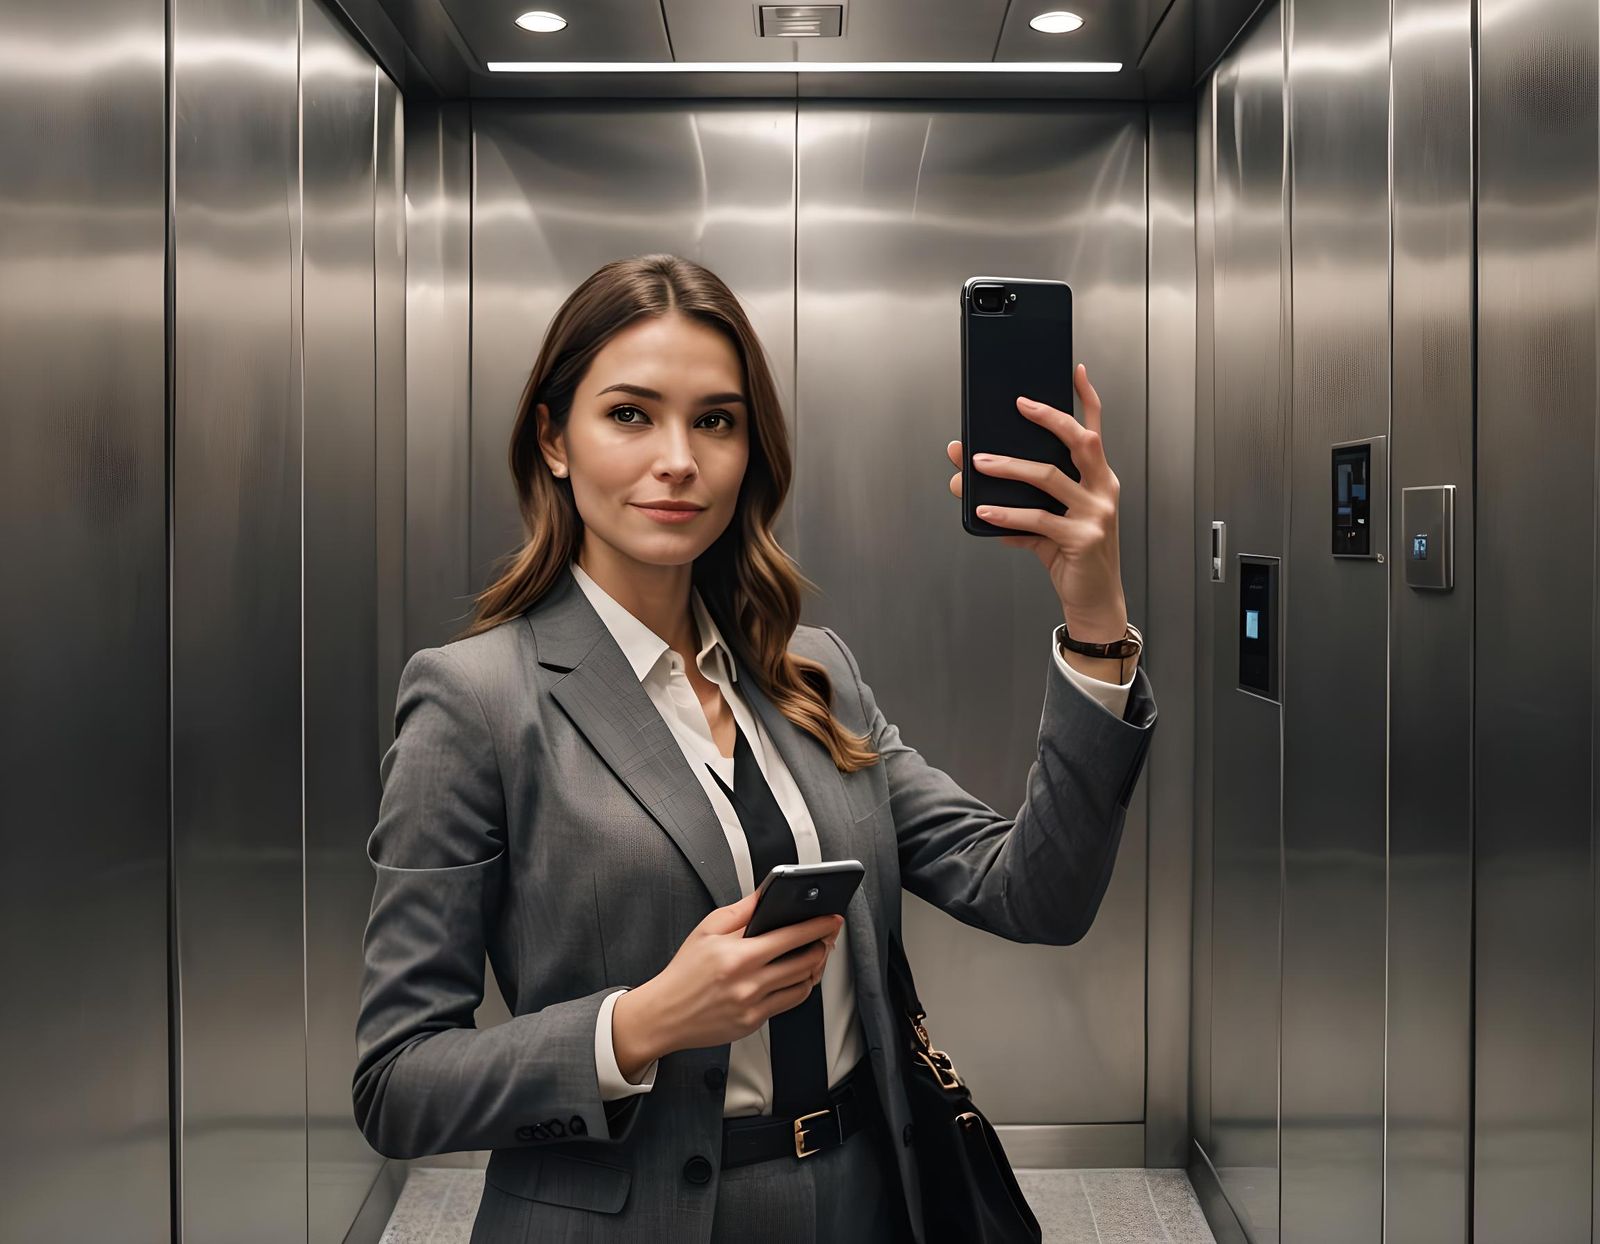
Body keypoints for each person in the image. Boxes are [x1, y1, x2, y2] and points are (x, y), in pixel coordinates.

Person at [351, 253, 1157, 1243]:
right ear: (555, 439)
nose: (679, 458)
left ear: (751, 450)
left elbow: (1034, 892)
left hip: (870, 1200)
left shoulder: (813, 675)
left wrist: (1093, 614)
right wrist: (640, 1022)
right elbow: (397, 1082)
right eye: (631, 414)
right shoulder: (475, 700)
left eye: (716, 420)